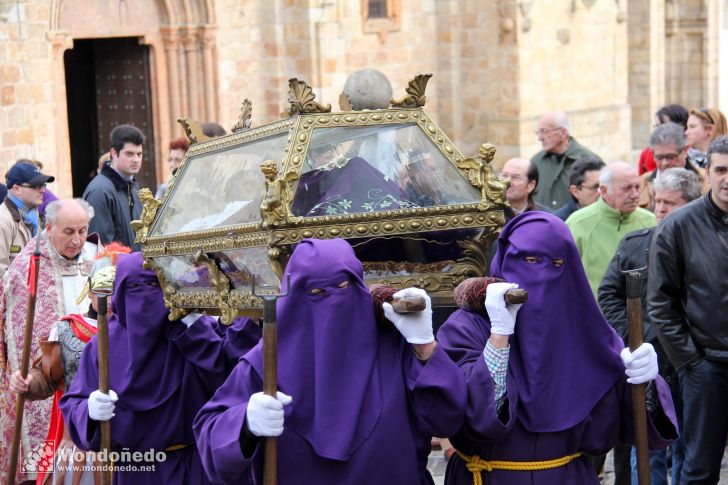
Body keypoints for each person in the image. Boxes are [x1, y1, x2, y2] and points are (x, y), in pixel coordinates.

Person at [193, 238, 467, 484]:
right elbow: (211, 435)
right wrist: (245, 423)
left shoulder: (395, 345)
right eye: (316, 294)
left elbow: (447, 420)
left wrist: (425, 346)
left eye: (343, 287)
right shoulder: (267, 360)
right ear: (293, 296)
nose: (332, 304)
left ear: (359, 287)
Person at [437, 211, 678, 485]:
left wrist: (647, 381)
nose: (542, 275)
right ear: (505, 260)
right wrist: (499, 338)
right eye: (530, 260)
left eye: (557, 263)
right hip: (489, 476)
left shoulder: (590, 335)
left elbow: (644, 429)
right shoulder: (468, 326)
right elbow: (470, 414)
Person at [59, 251, 250, 484]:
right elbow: (73, 402)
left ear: (166, 289)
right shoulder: (102, 345)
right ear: (120, 291)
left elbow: (227, 374)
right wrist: (88, 411)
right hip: (134, 470)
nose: (144, 295)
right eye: (134, 287)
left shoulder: (189, 334)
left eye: (152, 285)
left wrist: (196, 329)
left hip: (191, 466)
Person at [599, 167, 701, 485]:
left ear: (690, 204)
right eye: (657, 201)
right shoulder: (634, 245)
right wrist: (633, 336)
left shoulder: (706, 245)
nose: (659, 209)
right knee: (646, 446)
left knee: (689, 444)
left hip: (691, 361)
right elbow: (609, 294)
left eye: (669, 203)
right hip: (648, 363)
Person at [9, 242, 130, 484]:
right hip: (79, 443)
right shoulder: (67, 329)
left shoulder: (139, 333)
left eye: (116, 289)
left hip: (129, 443)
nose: (108, 297)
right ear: (90, 288)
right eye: (102, 289)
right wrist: (29, 382)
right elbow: (45, 378)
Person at [0, 199, 99, 483]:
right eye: (68, 232)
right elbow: (22, 340)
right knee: (48, 465)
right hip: (51, 377)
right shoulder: (27, 268)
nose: (77, 240)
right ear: (48, 227)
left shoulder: (95, 256)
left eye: (82, 231)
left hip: (90, 371)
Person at [648, 135, 728, 483]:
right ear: (707, 171)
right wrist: (690, 362)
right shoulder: (678, 226)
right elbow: (660, 302)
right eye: (722, 169)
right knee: (698, 467)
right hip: (706, 367)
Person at [566, 161, 656, 296]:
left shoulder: (651, 221)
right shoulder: (577, 224)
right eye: (626, 188)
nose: (635, 194)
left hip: (643, 312)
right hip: (596, 313)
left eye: (637, 187)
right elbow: (564, 277)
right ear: (604, 191)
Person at [83, 124, 144, 250]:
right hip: (117, 269)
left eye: (139, 154)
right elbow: (100, 248)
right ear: (114, 153)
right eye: (129, 154)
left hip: (137, 268)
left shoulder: (133, 186)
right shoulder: (99, 191)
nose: (136, 160)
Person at [530, 111, 601, 211]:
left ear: (563, 132)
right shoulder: (535, 162)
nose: (540, 138)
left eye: (544, 131)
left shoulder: (590, 161)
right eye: (539, 132)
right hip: (544, 225)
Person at [0, 161, 55, 276]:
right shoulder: (3, 220)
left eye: (43, 185)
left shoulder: (35, 216)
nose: (43, 190)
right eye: (36, 186)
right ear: (16, 189)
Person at [638, 123, 705, 210]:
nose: (665, 163)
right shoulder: (641, 184)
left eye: (671, 157)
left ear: (685, 151)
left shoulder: (707, 181)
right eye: (659, 158)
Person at [639, 104, 689, 175]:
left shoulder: (693, 152)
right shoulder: (646, 153)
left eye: (671, 157)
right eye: (656, 126)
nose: (664, 163)